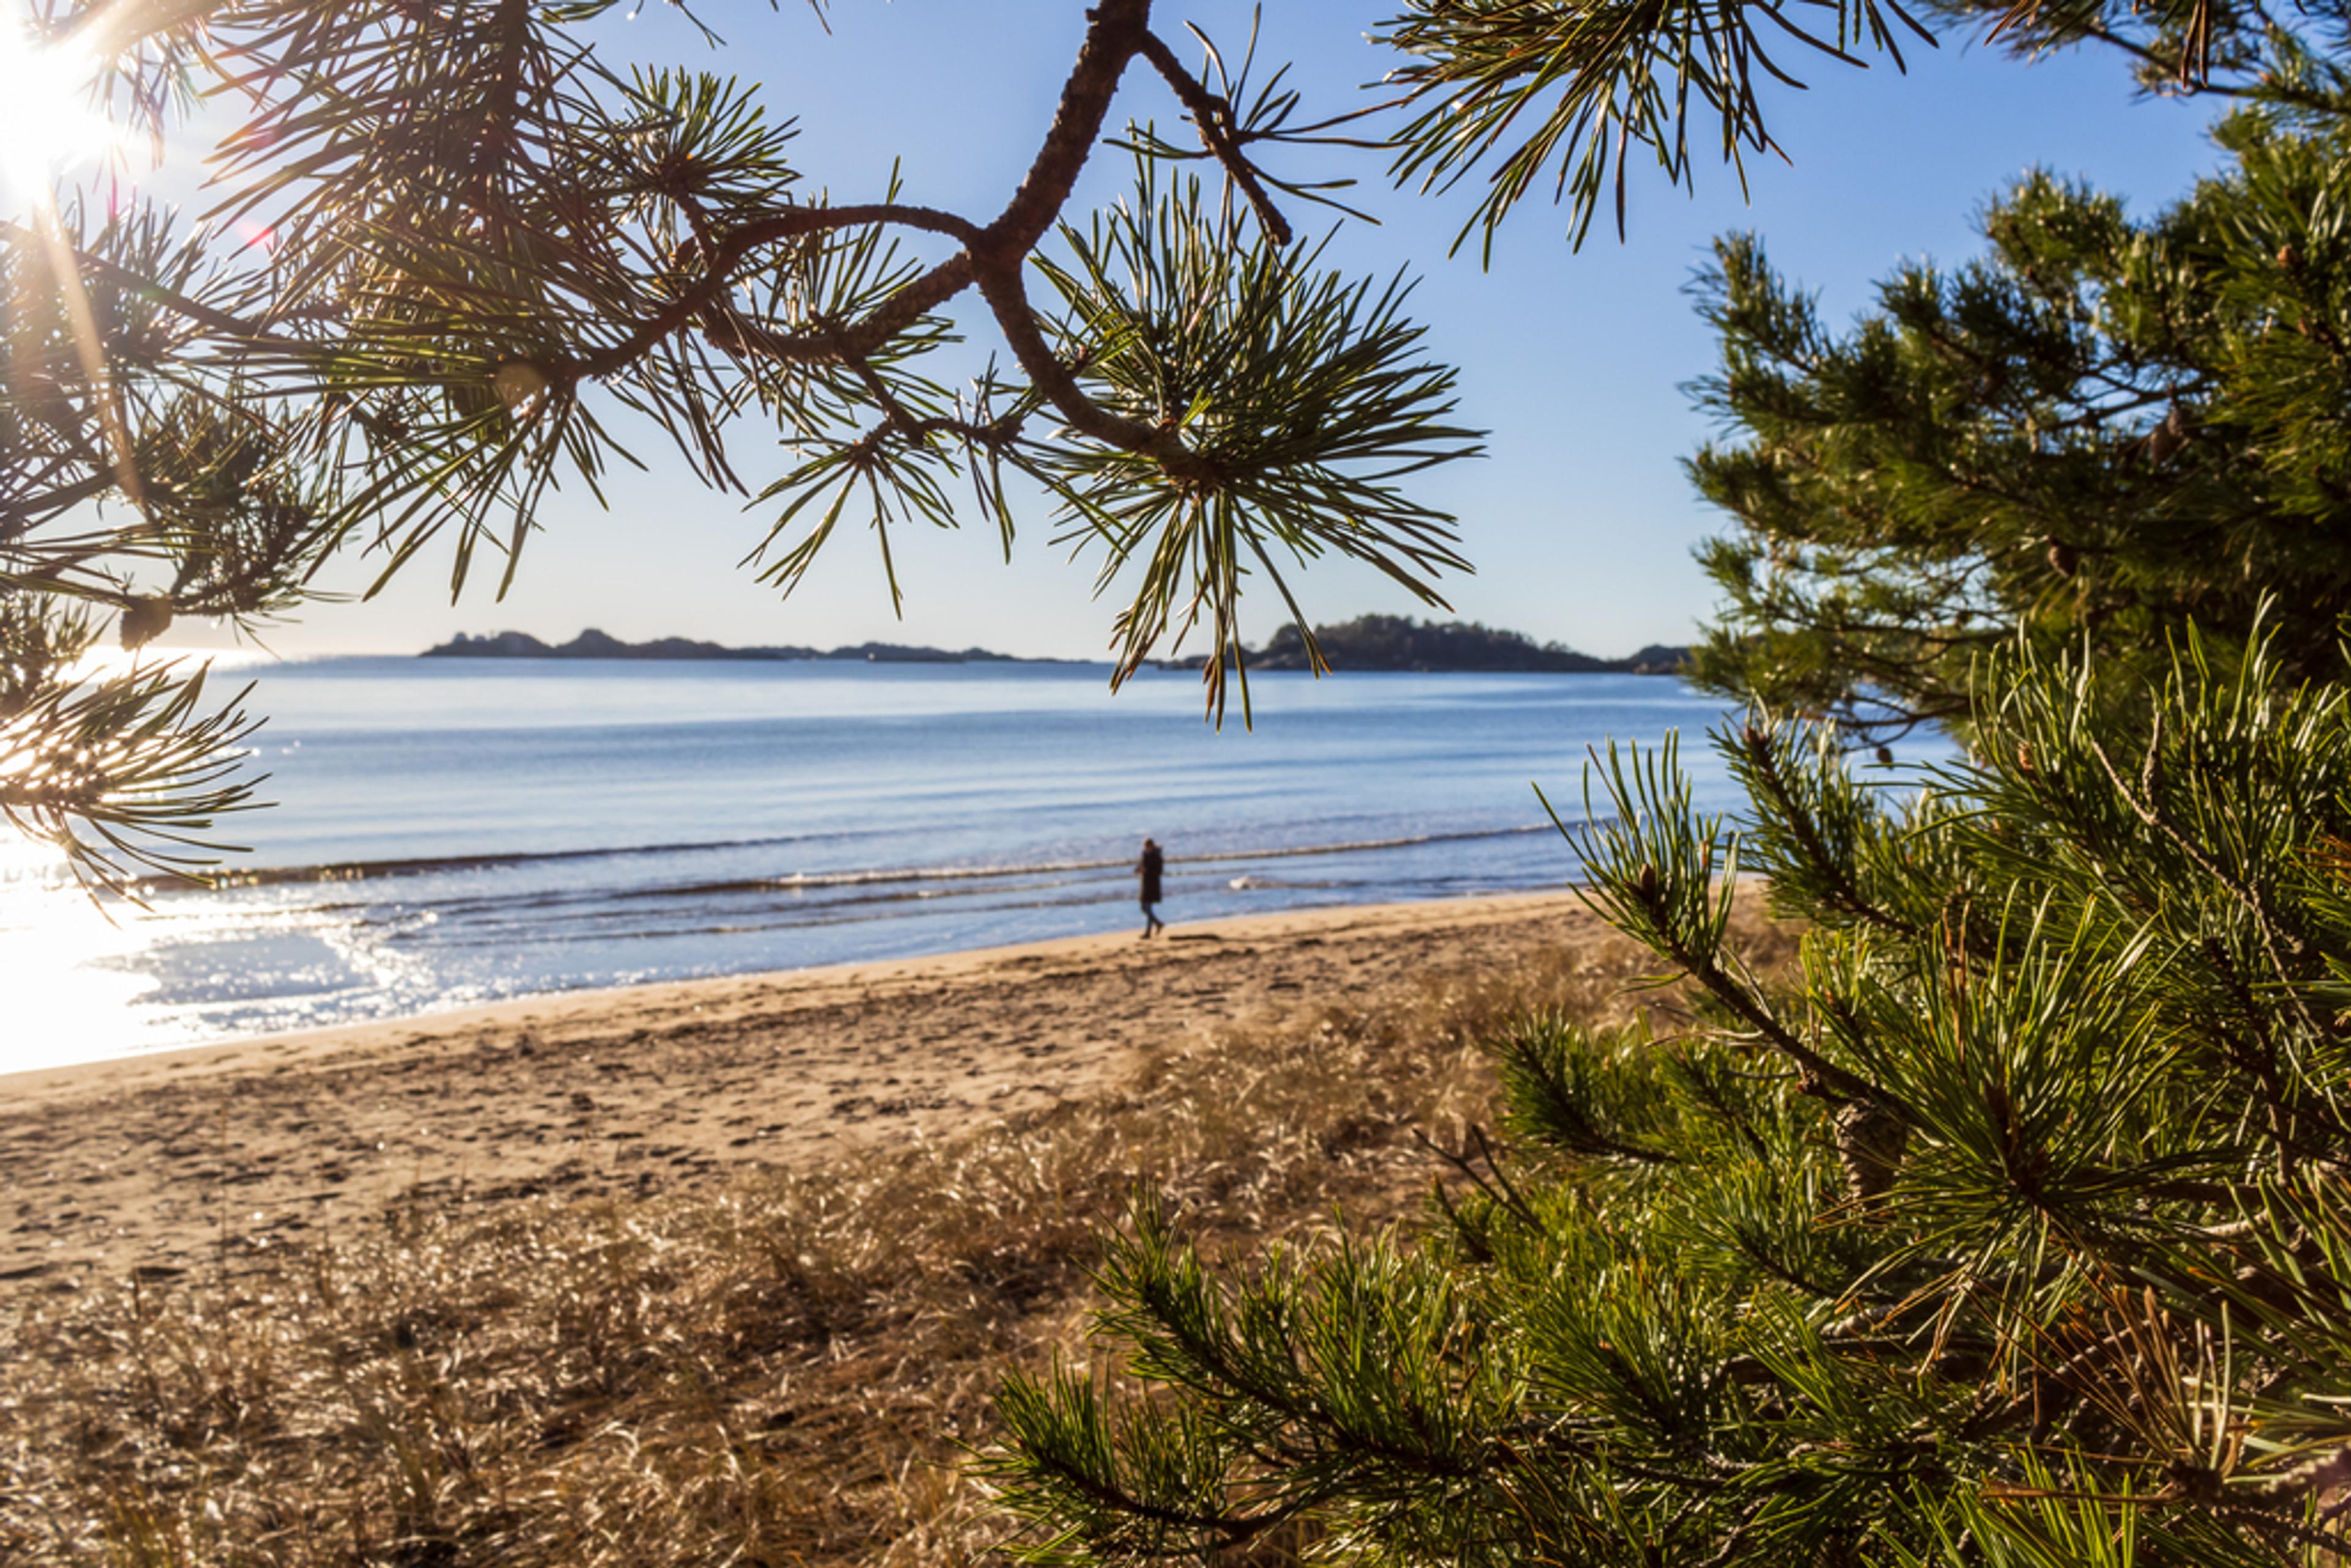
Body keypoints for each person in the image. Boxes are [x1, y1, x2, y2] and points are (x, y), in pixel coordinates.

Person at [1135, 836, 1166, 938]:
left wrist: (1146, 871)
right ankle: (1156, 925)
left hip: (1152, 886)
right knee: (1146, 908)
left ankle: (1152, 929)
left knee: (1146, 908)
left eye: (1147, 846)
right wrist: (1138, 869)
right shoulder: (1144, 855)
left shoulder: (1157, 856)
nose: (1146, 848)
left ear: (1151, 846)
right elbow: (1141, 866)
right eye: (1145, 846)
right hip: (1145, 885)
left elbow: (1159, 871)